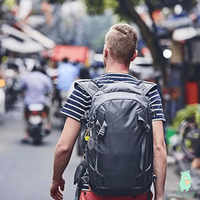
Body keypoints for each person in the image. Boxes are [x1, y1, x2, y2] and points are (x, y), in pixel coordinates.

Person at [50, 23, 167, 200]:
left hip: (93, 192)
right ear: (134, 56)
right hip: (138, 193)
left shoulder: (84, 90)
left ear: (105, 51)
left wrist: (56, 180)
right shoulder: (149, 92)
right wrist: (159, 196)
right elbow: (159, 147)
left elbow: (64, 147)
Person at [19, 62, 53, 142]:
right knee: (49, 110)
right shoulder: (45, 78)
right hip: (41, 102)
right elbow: (50, 90)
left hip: (28, 102)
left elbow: (20, 88)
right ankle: (48, 125)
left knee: (25, 115)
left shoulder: (26, 77)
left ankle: (26, 134)